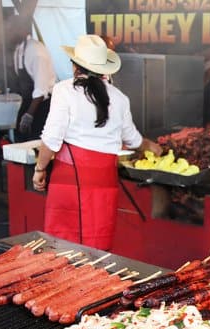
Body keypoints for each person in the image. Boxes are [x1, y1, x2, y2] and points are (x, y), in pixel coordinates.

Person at [32, 34, 162, 250]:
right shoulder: (120, 98)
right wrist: (152, 147)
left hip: (68, 184)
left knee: (61, 252)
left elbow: (51, 140)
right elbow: (133, 139)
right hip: (103, 186)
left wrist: (39, 169)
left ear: (75, 65)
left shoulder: (64, 90)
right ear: (104, 69)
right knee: (96, 253)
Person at [6, 14, 57, 141]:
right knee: (20, 139)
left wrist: (29, 115)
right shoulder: (19, 50)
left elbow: (41, 90)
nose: (8, 33)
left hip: (43, 105)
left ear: (22, 30)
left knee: (35, 143)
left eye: (11, 30)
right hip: (29, 101)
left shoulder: (36, 52)